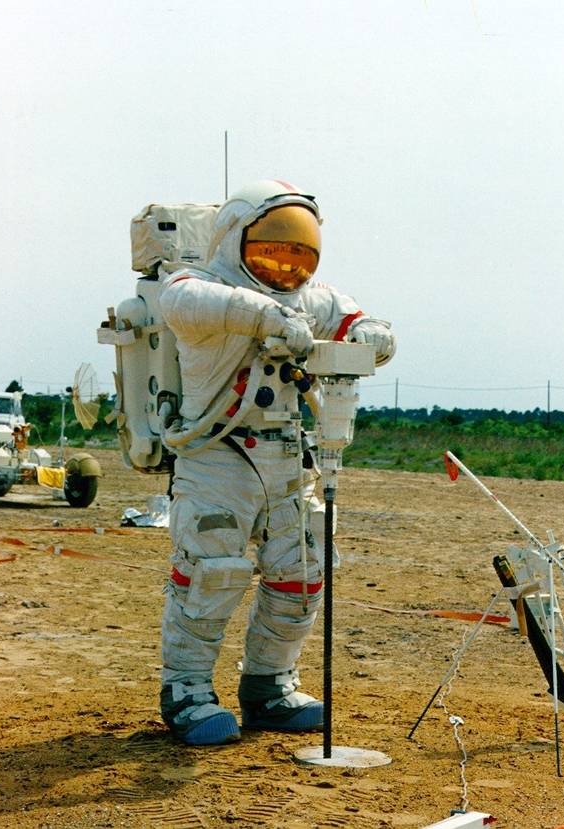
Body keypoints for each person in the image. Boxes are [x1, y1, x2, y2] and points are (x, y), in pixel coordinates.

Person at [157, 180, 396, 745]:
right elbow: (183, 300)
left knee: (303, 573)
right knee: (212, 573)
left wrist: (370, 337)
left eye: (299, 248)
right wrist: (267, 317)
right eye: (273, 245)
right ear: (236, 236)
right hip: (218, 452)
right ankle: (186, 690)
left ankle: (270, 686)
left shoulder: (312, 301)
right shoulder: (197, 288)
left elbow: (359, 325)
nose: (288, 260)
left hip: (288, 456)